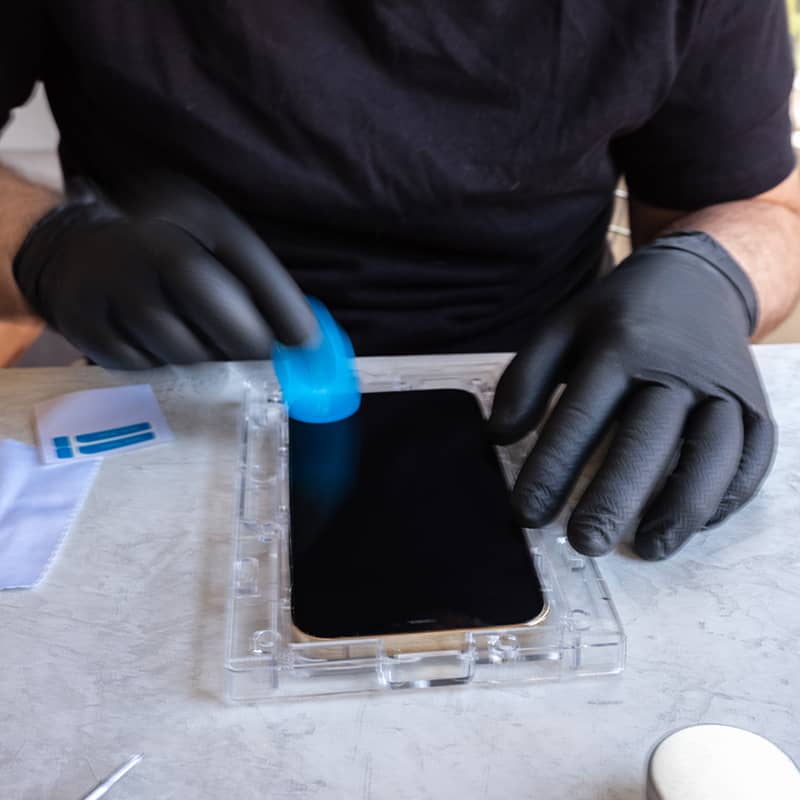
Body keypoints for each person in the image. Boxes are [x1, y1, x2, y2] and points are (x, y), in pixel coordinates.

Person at [2, 2, 799, 560]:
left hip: (536, 396)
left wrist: (712, 277)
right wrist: (48, 249)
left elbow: (762, 206)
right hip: (176, 386)